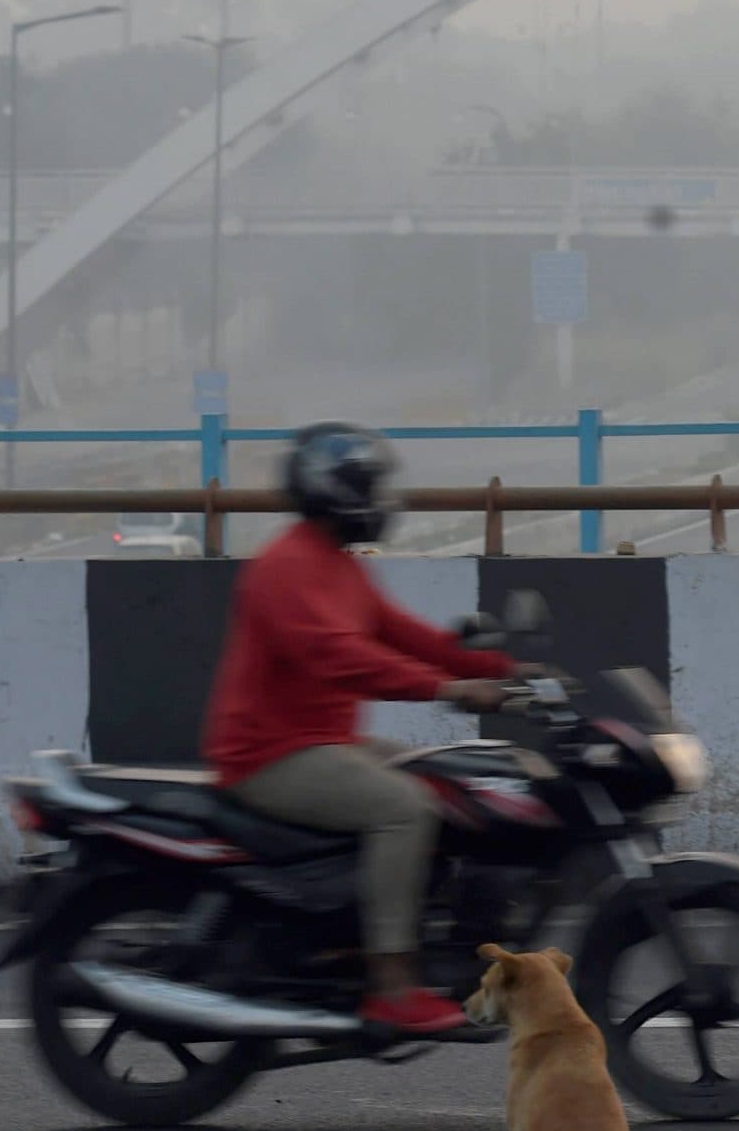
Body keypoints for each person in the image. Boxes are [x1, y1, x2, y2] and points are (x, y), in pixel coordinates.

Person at [202, 422, 518, 1035]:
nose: (380, 501)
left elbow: (407, 636)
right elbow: (342, 658)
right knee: (405, 810)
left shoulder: (338, 565)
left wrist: (509, 668)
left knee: (453, 784)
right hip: (269, 755)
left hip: (324, 744)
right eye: (368, 487)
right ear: (334, 492)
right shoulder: (286, 568)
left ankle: (382, 934)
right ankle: (393, 986)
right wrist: (448, 688)